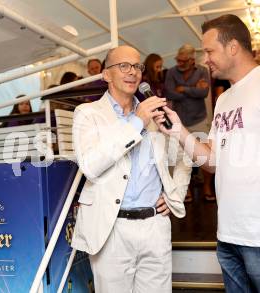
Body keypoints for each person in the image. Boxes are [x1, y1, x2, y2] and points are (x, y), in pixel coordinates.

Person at [156, 14, 260, 292]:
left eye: (209, 51)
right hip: (228, 237)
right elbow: (212, 162)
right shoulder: (225, 98)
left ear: (233, 47)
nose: (206, 59)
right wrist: (178, 131)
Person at [71, 45, 191, 293]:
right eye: (123, 66)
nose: (133, 72)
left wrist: (175, 194)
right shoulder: (88, 114)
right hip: (111, 228)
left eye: (137, 66)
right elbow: (91, 166)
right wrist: (137, 122)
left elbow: (185, 156)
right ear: (106, 75)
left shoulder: (157, 114)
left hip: (155, 226)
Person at [165, 44, 214, 202]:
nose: (180, 63)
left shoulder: (202, 70)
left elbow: (204, 92)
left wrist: (184, 89)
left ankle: (207, 187)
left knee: (205, 155)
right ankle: (186, 190)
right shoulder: (171, 72)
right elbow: (170, 92)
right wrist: (193, 88)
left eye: (183, 60)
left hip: (199, 119)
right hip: (179, 121)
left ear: (192, 60)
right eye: (178, 59)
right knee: (182, 158)